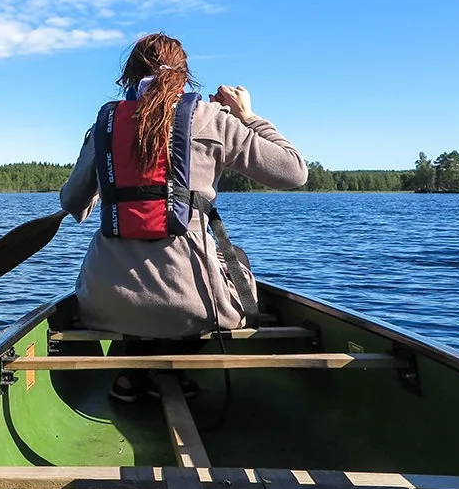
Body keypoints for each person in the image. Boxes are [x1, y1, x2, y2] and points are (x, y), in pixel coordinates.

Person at [59, 32, 307, 401]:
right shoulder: (214, 119)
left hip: (103, 304)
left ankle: (133, 373)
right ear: (185, 75)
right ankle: (172, 368)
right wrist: (248, 116)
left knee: (149, 299)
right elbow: (294, 172)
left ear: (128, 75)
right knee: (235, 259)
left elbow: (72, 203)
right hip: (191, 304)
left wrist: (108, 186)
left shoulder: (104, 126)